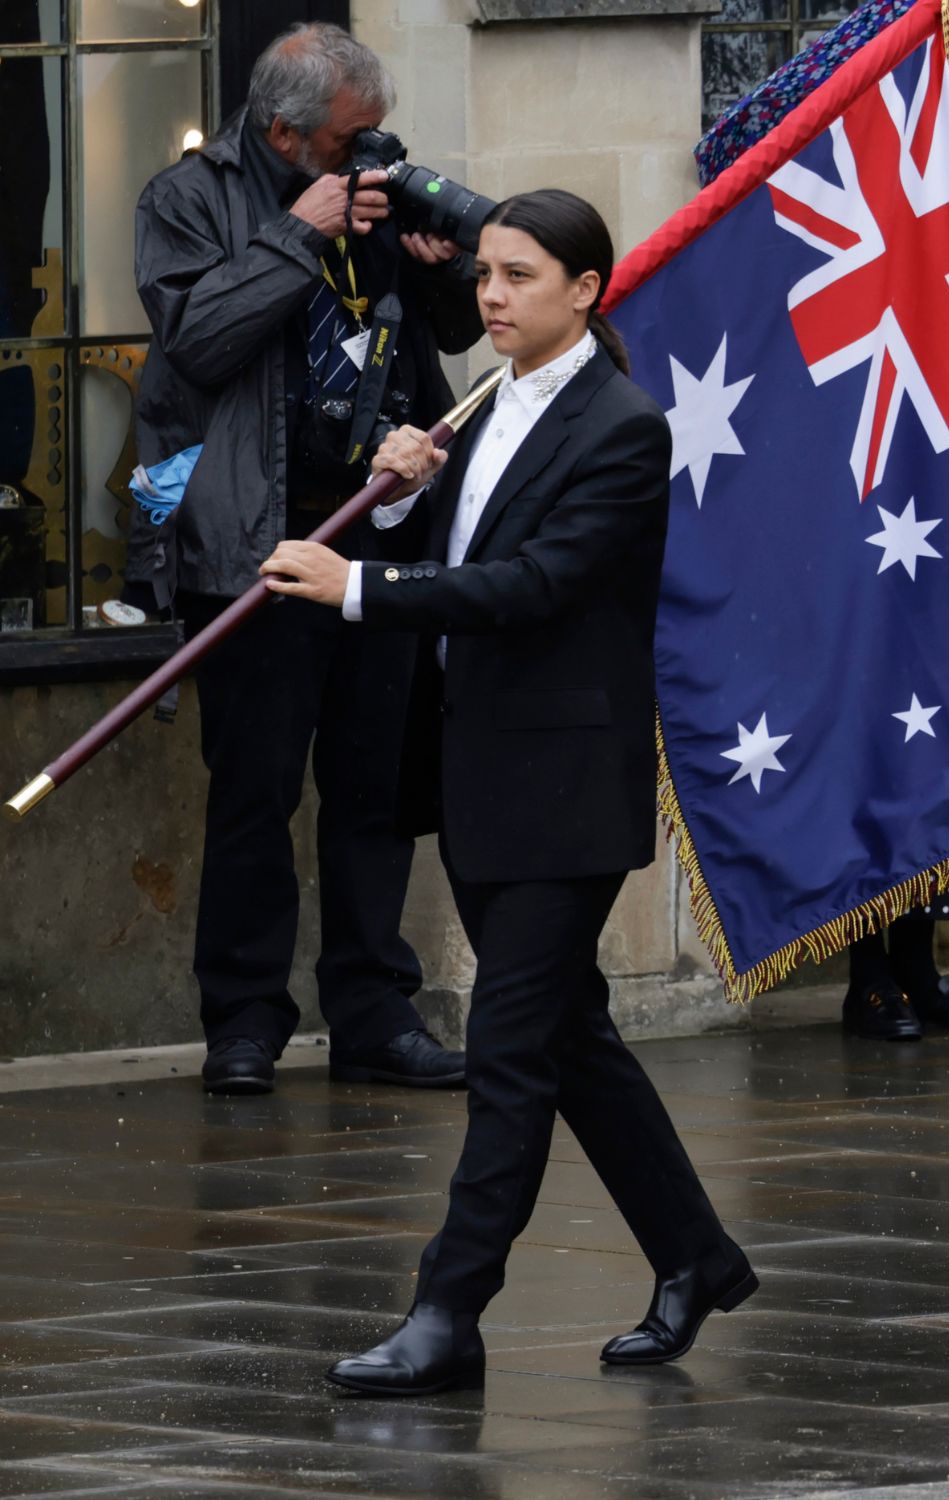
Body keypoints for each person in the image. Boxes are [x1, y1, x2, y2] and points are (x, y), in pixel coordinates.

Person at [260, 188, 758, 1396]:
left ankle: (450, 1309)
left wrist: (358, 587)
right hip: (480, 772)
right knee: (567, 1038)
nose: (491, 295)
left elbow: (532, 587)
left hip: (562, 792)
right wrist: (411, 486)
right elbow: (473, 543)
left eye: (520, 276)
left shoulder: (624, 426)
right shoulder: (485, 401)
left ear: (585, 291)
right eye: (484, 274)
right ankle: (697, 1257)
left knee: (508, 1048)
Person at [126, 23, 485, 1096]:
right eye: (345, 140)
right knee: (254, 793)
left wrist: (437, 269)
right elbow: (196, 342)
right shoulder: (186, 199)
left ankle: (375, 1010)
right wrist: (297, 231)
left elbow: (455, 333)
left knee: (373, 792)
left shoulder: (373, 182)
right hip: (259, 550)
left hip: (380, 541)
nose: (366, 154)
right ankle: (243, 1023)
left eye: (372, 134)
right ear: (284, 133)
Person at [842, 52, 949, 1043]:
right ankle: (871, 972)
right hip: (902, 487)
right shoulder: (886, 70)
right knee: (891, 729)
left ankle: (924, 965)